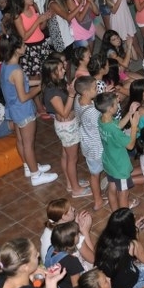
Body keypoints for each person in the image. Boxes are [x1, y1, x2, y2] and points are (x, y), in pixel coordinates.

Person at [0, 33, 58, 186]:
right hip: (23, 111)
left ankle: (28, 166)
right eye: (23, 45)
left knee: (20, 140)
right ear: (16, 49)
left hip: (13, 109)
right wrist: (40, 88)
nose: (25, 47)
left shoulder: (6, 65)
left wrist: (39, 81)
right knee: (28, 144)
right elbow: (24, 97)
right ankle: (35, 175)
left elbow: (21, 84)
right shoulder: (17, 71)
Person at [42, 57, 89, 197]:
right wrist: (71, 95)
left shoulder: (58, 84)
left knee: (66, 155)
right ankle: (76, 189)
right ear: (52, 73)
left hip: (67, 125)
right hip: (67, 127)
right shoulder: (52, 92)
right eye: (60, 69)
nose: (64, 70)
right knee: (72, 159)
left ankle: (71, 184)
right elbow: (64, 112)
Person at [97, 92, 142, 210]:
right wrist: (134, 126)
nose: (118, 105)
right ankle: (123, 216)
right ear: (110, 108)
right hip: (120, 167)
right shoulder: (113, 130)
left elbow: (118, 126)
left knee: (112, 188)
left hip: (109, 162)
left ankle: (115, 213)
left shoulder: (102, 119)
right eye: (116, 104)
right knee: (123, 193)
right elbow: (130, 146)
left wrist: (130, 113)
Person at [95, 208, 144, 288]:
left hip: (113, 284)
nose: (135, 217)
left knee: (137, 260)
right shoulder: (131, 245)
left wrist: (135, 230)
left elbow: (134, 255)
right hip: (129, 286)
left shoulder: (104, 239)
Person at [74, 77, 108, 211]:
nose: (97, 89)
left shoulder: (78, 99)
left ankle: (98, 198)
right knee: (98, 174)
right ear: (86, 93)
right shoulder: (93, 112)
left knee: (94, 173)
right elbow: (103, 124)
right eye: (95, 88)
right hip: (97, 148)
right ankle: (99, 200)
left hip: (87, 144)